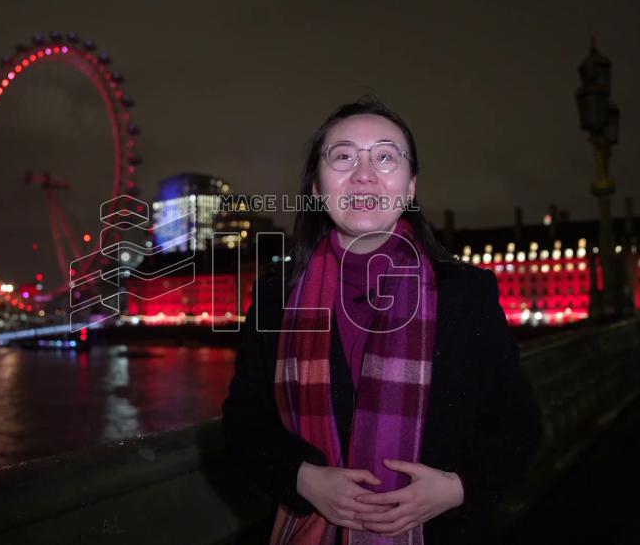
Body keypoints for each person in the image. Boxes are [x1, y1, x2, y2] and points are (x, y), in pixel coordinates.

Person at [222, 97, 543, 545]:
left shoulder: (466, 295)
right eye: (344, 156)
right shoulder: (277, 298)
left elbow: (519, 425)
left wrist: (456, 488)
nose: (364, 173)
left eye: (386, 156)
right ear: (316, 188)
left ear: (410, 187)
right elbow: (243, 421)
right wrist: (304, 478)